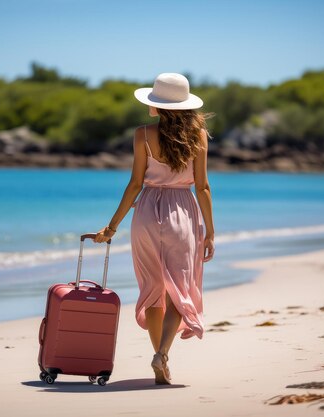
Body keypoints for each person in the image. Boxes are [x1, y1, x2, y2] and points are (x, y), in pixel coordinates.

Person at [93, 73, 215, 385]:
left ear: (157, 107)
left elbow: (135, 184)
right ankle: (162, 354)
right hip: (182, 215)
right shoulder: (199, 136)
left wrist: (112, 226)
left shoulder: (143, 135)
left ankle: (161, 358)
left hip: (146, 213)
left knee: (152, 289)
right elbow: (202, 187)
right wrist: (210, 231)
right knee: (179, 290)